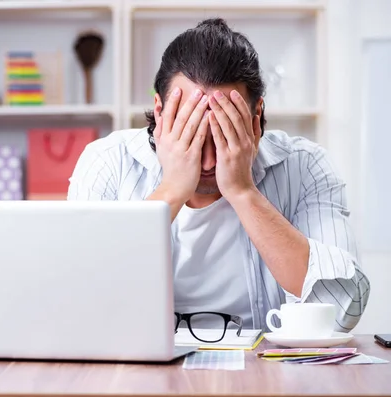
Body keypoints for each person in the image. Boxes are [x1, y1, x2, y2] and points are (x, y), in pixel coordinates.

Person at [67, 18, 370, 332]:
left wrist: (243, 192)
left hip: (264, 371)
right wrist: (171, 191)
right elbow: (77, 297)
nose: (209, 162)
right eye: (192, 133)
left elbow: (341, 310)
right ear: (159, 112)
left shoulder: (306, 166)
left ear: (256, 118)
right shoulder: (107, 161)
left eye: (226, 135)